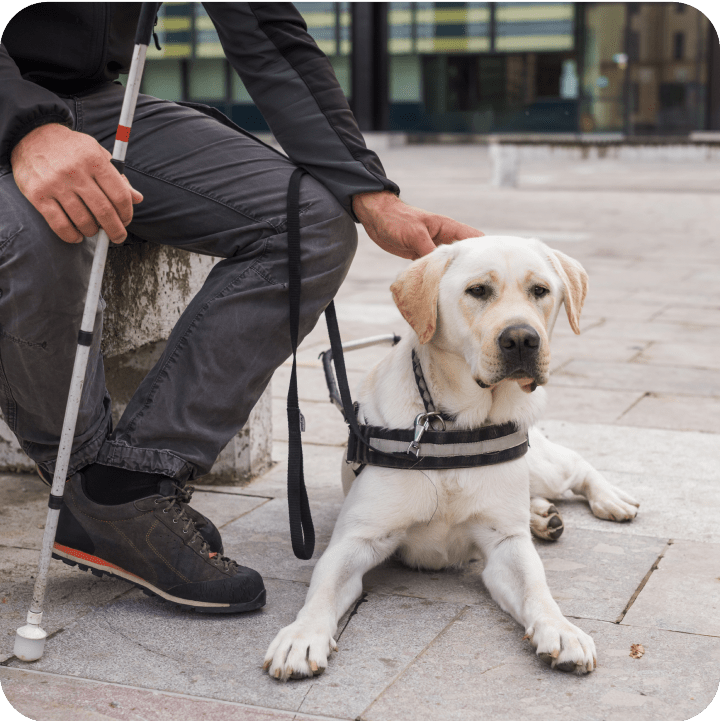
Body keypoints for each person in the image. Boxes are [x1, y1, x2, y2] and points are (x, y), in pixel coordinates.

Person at [0, 1, 480, 613]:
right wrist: (22, 123)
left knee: (309, 222)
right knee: (41, 230)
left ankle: (132, 484)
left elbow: (267, 29)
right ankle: (89, 489)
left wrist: (370, 193)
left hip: (89, 103)